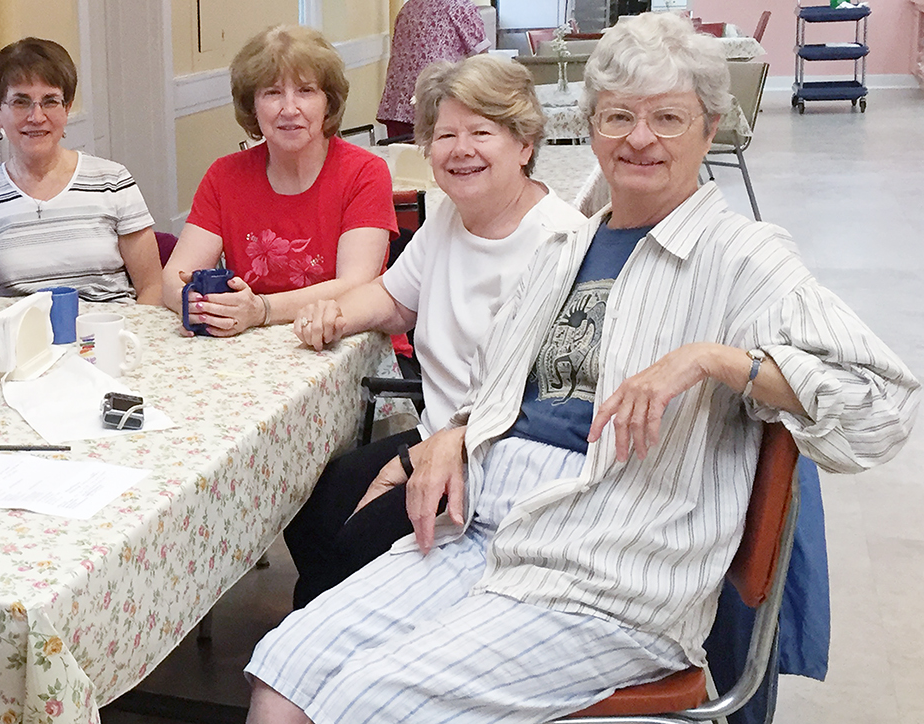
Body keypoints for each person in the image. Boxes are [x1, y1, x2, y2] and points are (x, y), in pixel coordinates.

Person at [243, 13, 917, 723]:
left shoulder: (744, 256)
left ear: (710, 126)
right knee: (285, 669)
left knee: (364, 701)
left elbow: (880, 406)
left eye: (668, 117)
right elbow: (503, 384)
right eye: (618, 115)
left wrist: (716, 359)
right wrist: (453, 433)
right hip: (487, 524)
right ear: (591, 127)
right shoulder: (569, 246)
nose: (640, 138)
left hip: (614, 565)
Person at [283, 54, 585, 608]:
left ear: (524, 144)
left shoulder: (562, 245)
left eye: (481, 132)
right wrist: (336, 315)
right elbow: (397, 299)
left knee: (350, 553)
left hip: (497, 458)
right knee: (308, 515)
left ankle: (336, 657)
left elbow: (541, 404)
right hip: (434, 430)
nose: (460, 149)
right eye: (445, 134)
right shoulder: (449, 215)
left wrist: (404, 465)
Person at [162, 25, 396, 337]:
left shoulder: (365, 172)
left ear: (329, 102)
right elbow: (172, 279)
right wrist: (195, 305)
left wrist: (262, 310)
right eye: (272, 93)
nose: (289, 109)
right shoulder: (224, 176)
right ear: (252, 106)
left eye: (306, 91)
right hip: (248, 355)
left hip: (347, 352)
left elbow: (356, 285)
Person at [0, 37, 160, 304]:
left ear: (67, 108)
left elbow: (152, 287)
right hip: (18, 341)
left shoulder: (113, 181)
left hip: (108, 336)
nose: (36, 117)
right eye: (20, 102)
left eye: (50, 101)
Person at [375, 0, 489, 140]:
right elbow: (482, 61)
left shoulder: (410, 6)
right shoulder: (459, 6)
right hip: (435, 104)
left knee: (402, 158)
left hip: (397, 106)